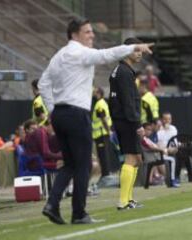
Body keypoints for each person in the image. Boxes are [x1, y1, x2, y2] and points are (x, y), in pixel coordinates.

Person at [38, 18, 154, 224]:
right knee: (84, 165)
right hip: (76, 114)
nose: (92, 35)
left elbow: (43, 83)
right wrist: (134, 46)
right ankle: (79, 213)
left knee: (70, 164)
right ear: (74, 35)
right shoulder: (80, 52)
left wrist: (52, 110)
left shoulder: (59, 56)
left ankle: (52, 204)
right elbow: (106, 55)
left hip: (60, 115)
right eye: (87, 32)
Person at [109, 37, 153, 210]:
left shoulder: (121, 70)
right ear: (126, 51)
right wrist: (137, 124)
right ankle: (123, 201)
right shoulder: (124, 72)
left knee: (137, 159)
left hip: (123, 120)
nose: (140, 53)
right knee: (130, 158)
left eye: (140, 50)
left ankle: (128, 199)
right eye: (136, 50)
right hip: (127, 121)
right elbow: (128, 101)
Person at [91, 87, 115, 188]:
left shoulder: (99, 105)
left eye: (95, 92)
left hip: (101, 133)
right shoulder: (102, 103)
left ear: (99, 93)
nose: (93, 93)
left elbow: (103, 119)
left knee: (103, 155)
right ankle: (105, 175)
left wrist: (108, 130)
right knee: (103, 155)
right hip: (101, 134)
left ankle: (105, 176)